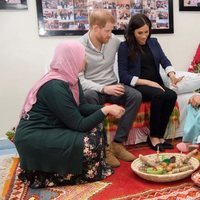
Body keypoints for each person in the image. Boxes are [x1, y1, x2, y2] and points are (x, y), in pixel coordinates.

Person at [14, 40, 125, 189]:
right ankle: (73, 173)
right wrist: (105, 111)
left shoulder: (71, 78)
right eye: (83, 56)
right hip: (35, 137)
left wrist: (107, 108)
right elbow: (79, 124)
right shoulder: (55, 86)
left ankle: (93, 165)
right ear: (71, 57)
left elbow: (82, 106)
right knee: (89, 143)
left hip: (51, 127)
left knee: (97, 126)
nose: (85, 60)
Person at [79, 9, 142, 167]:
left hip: (113, 85)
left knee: (135, 95)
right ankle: (104, 148)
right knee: (88, 98)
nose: (110, 34)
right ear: (95, 28)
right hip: (94, 89)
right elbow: (79, 79)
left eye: (111, 30)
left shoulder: (113, 41)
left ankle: (118, 144)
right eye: (107, 30)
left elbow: (130, 48)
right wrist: (103, 88)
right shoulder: (79, 47)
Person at [118, 13, 183, 152]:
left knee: (171, 95)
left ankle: (160, 136)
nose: (143, 36)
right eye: (139, 33)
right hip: (138, 85)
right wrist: (148, 83)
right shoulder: (124, 47)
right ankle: (153, 137)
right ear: (132, 31)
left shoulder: (154, 42)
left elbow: (164, 60)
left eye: (146, 32)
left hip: (155, 83)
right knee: (160, 95)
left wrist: (172, 75)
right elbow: (123, 76)